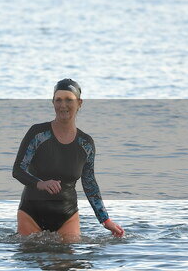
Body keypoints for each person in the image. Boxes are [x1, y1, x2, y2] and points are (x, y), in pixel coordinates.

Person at [12, 79, 125, 243]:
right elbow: (18, 170)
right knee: (34, 258)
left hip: (67, 215)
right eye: (58, 100)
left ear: (79, 103)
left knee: (70, 264)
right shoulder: (38, 133)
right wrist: (40, 183)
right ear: (53, 103)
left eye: (69, 100)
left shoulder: (86, 144)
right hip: (31, 213)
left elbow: (90, 183)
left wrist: (105, 220)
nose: (63, 105)